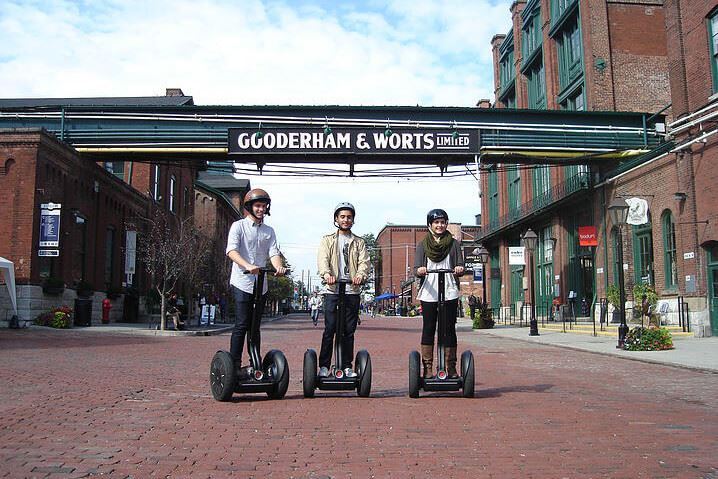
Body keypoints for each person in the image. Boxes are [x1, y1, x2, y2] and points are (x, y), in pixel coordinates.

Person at [225, 188, 287, 374]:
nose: (261, 209)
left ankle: (255, 362)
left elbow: (274, 253)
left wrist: (278, 267)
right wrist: (247, 265)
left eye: (263, 206)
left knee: (255, 326)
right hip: (242, 282)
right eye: (257, 206)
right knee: (242, 324)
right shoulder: (238, 226)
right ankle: (234, 364)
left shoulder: (269, 231)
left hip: (261, 285)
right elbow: (231, 251)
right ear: (250, 207)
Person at [317, 202, 371, 378]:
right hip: (332, 290)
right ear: (336, 219)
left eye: (349, 217)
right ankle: (324, 366)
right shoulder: (327, 240)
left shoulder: (359, 242)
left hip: (351, 290)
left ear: (353, 220)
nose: (346, 220)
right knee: (330, 328)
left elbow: (364, 262)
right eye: (342, 217)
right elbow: (322, 259)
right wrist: (326, 274)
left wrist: (361, 275)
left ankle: (347, 366)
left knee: (349, 330)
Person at [414, 208, 465, 379]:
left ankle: (450, 367)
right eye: (436, 222)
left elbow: (460, 265)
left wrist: (459, 268)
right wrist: (420, 270)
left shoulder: (454, 244)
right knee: (429, 327)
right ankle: (427, 368)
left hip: (449, 289)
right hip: (429, 290)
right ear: (430, 225)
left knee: (449, 328)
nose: (440, 225)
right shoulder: (422, 245)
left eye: (442, 222)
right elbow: (416, 269)